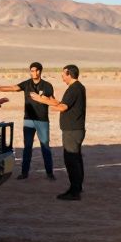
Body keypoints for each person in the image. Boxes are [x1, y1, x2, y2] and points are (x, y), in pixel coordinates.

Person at [0, 62, 55, 180]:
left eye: (36, 70)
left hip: (42, 120)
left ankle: (49, 173)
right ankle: (24, 173)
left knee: (45, 146)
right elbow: (14, 88)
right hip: (28, 120)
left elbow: (52, 100)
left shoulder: (47, 86)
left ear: (40, 71)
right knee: (27, 147)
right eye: (32, 71)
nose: (34, 73)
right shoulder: (27, 84)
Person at [28, 64, 85, 200]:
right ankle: (76, 188)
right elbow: (61, 103)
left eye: (63, 74)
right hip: (75, 129)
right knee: (76, 159)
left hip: (72, 130)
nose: (62, 77)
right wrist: (50, 100)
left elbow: (63, 107)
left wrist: (42, 100)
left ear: (69, 74)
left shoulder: (73, 89)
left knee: (71, 160)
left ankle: (74, 192)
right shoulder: (78, 87)